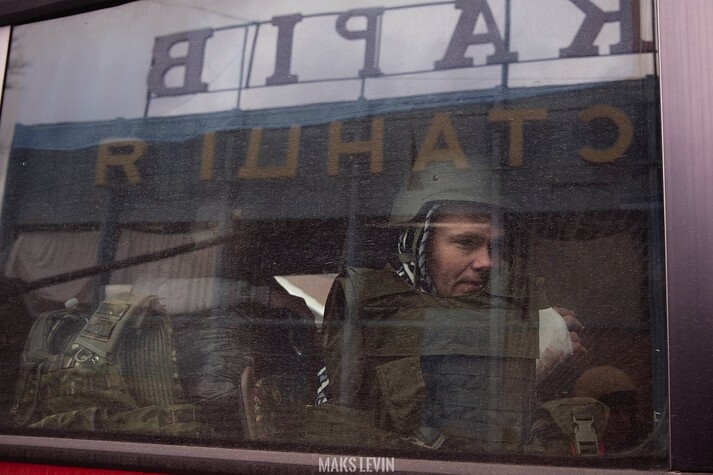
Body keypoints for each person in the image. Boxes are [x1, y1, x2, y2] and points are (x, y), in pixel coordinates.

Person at [319, 166, 586, 452]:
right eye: (465, 242)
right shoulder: (372, 311)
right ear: (419, 242)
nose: (486, 262)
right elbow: (358, 442)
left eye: (494, 246)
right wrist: (530, 365)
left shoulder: (520, 309)